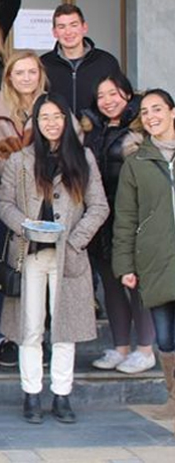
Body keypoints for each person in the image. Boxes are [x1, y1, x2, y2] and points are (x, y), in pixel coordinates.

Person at [0, 92, 108, 424]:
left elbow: (99, 206)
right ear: (34, 122)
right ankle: (31, 394)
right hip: (30, 254)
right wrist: (24, 226)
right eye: (43, 117)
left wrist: (75, 240)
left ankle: (62, 395)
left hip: (68, 258)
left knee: (64, 329)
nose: (51, 123)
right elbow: (4, 204)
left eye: (57, 116)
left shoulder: (83, 158)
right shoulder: (20, 160)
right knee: (30, 327)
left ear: (68, 120)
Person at [0, 51, 49, 367]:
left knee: (40, 271)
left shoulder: (53, 106)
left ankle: (38, 336)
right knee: (4, 270)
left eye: (31, 72)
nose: (25, 78)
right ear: (9, 76)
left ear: (39, 74)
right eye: (18, 72)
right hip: (4, 199)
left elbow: (70, 148)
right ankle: (4, 337)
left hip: (47, 202)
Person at [83, 74, 156, 374]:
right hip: (101, 217)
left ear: (127, 95)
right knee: (111, 285)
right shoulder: (92, 131)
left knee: (136, 283)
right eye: (101, 96)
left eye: (113, 94)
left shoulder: (139, 131)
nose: (107, 101)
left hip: (131, 217)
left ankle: (146, 349)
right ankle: (121, 347)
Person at [113, 88, 175, 433]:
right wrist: (124, 265)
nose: (151, 116)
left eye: (157, 109)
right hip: (155, 259)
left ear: (172, 112)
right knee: (165, 337)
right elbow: (125, 217)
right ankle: (173, 398)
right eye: (145, 112)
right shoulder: (136, 163)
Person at [41, 3, 121, 117]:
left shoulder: (106, 61)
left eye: (73, 25)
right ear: (54, 32)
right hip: (58, 132)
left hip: (98, 133)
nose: (68, 32)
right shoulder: (43, 64)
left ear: (84, 28)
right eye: (61, 27)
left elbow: (120, 99)